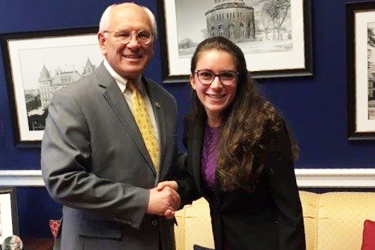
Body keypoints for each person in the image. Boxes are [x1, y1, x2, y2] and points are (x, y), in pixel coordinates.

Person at [41, 3, 183, 250]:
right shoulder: (73, 99)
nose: (134, 43)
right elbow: (62, 180)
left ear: (153, 43)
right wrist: (143, 200)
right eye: (123, 34)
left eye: (143, 35)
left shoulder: (165, 101)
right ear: (102, 42)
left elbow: (162, 167)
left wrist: (176, 186)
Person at [165, 36, 306, 250]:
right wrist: (177, 190)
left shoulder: (265, 127)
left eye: (227, 76)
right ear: (193, 80)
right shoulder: (193, 125)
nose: (216, 84)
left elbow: (289, 209)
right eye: (206, 75)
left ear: (239, 81)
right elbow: (208, 179)